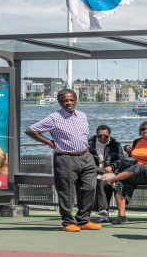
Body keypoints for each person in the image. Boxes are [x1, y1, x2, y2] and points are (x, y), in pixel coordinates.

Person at [25, 89, 101, 232]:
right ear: (60, 102)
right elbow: (30, 130)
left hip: (86, 156)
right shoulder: (54, 118)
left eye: (71, 100)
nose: (69, 103)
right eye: (65, 100)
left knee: (89, 188)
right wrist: (49, 142)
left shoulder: (82, 115)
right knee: (66, 192)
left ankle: (83, 220)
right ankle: (68, 222)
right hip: (66, 158)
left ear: (76, 100)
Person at [105, 121, 147, 225]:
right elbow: (131, 155)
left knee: (137, 167)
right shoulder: (137, 142)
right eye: (143, 129)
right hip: (134, 173)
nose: (145, 131)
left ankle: (112, 179)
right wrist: (126, 148)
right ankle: (121, 216)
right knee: (120, 184)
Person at [88, 124, 124, 223]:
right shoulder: (89, 145)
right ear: (96, 135)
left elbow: (121, 161)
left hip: (111, 172)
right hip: (94, 171)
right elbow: (86, 162)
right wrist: (100, 170)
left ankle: (103, 212)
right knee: (95, 182)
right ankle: (101, 211)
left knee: (105, 182)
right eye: (100, 136)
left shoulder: (115, 145)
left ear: (109, 135)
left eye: (106, 136)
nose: (103, 138)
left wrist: (112, 166)